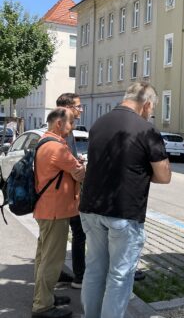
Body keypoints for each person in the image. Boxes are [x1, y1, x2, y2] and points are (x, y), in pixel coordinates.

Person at [79, 82, 171, 318]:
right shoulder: (146, 130)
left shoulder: (99, 123)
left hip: (90, 208)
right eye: (151, 110)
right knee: (119, 276)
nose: (150, 114)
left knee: (94, 271)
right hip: (123, 211)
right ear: (147, 104)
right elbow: (164, 176)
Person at [32, 108, 86, 318]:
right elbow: (79, 173)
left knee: (43, 257)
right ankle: (42, 307)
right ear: (58, 124)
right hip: (55, 211)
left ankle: (44, 297)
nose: (72, 127)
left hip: (45, 209)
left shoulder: (44, 141)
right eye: (71, 123)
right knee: (52, 260)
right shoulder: (57, 147)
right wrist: (81, 167)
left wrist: (77, 167)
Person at [55, 93, 86, 289]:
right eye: (78, 106)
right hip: (64, 193)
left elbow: (68, 159)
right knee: (76, 233)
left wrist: (76, 161)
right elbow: (65, 162)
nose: (81, 109)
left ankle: (62, 273)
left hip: (66, 192)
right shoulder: (62, 131)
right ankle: (79, 276)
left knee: (72, 233)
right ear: (67, 108)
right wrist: (80, 168)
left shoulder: (66, 129)